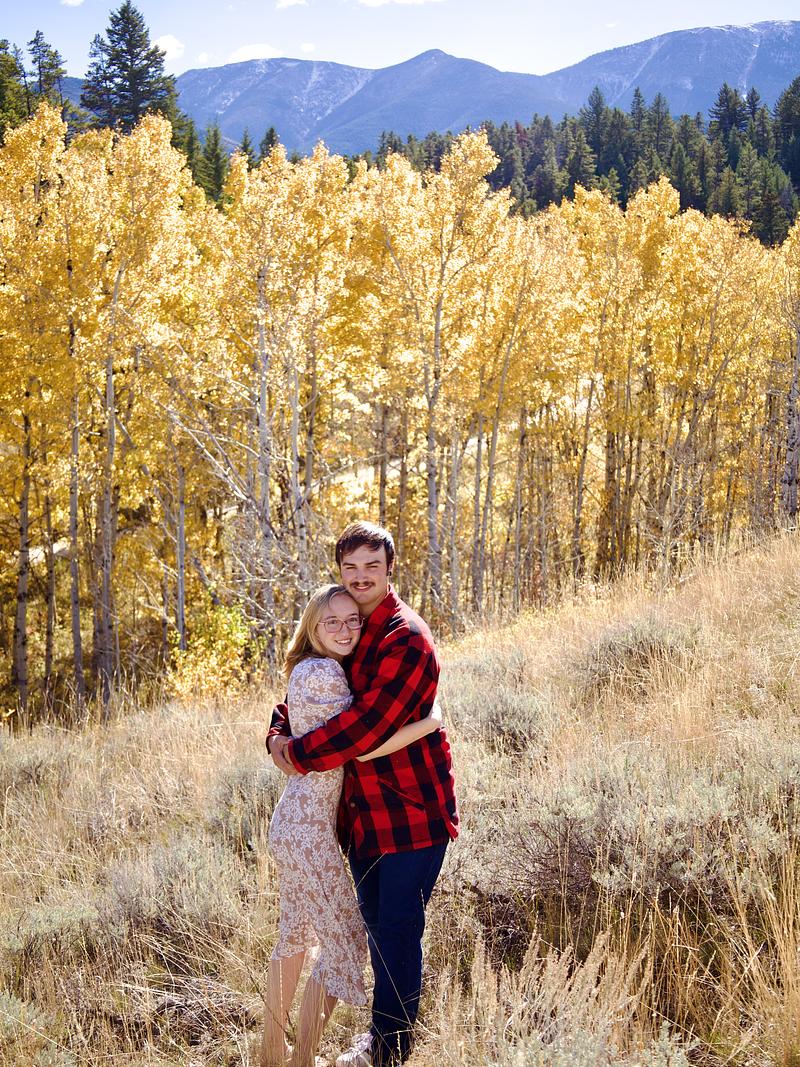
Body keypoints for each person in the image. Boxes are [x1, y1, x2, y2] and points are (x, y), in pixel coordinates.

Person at [268, 521, 459, 1067]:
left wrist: (297, 755)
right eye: (350, 567)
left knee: (395, 931)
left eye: (372, 565)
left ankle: (388, 1051)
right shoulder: (350, 626)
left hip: (410, 812)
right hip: (360, 818)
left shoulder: (405, 638)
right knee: (375, 930)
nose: (361, 576)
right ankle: (372, 1037)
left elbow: (366, 727)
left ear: (390, 568)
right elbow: (307, 692)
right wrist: (278, 735)